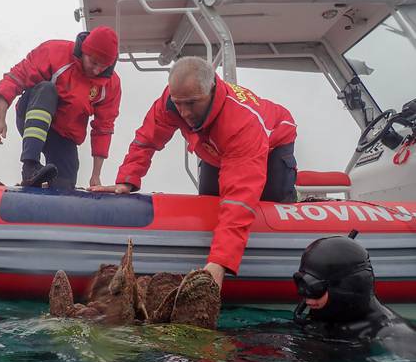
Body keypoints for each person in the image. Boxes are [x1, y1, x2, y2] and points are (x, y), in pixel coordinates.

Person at [91, 56, 297, 290]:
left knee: (257, 207)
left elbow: (239, 199)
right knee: (210, 204)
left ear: (210, 90)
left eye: (191, 103)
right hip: (213, 149)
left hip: (271, 145)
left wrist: (219, 263)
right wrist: (127, 180)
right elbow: (146, 140)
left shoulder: (241, 124)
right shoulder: (170, 103)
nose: (184, 112)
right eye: (179, 103)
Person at [0, 26, 122, 190]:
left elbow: (104, 128)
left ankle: (46, 195)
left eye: (103, 66)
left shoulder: (111, 85)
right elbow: (15, 78)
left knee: (65, 185)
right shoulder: (54, 52)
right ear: (84, 51)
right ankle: (30, 166)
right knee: (47, 89)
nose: (96, 70)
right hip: (32, 115)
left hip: (63, 135)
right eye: (93, 62)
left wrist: (96, 174)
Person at [293, 232, 416, 357]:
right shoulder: (323, 318)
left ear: (345, 287)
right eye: (301, 285)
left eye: (314, 288)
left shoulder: (396, 338)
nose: (307, 296)